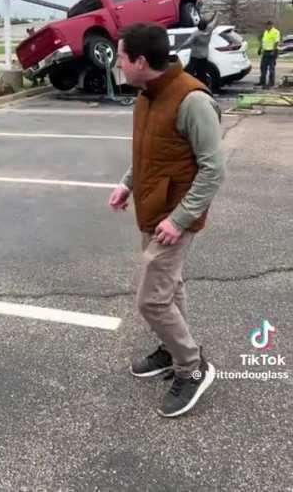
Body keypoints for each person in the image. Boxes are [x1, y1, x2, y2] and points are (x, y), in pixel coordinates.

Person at [108, 23, 225, 418]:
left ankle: (192, 368)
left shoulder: (191, 100)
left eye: (121, 56)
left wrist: (180, 220)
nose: (117, 63)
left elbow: (213, 170)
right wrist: (127, 183)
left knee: (151, 300)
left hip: (175, 216)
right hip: (152, 210)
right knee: (169, 288)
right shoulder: (146, 94)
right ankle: (170, 349)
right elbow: (149, 151)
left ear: (140, 61)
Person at [176, 12, 218, 89]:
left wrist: (179, 48)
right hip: (204, 56)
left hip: (195, 56)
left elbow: (188, 42)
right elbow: (214, 22)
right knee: (202, 74)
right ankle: (203, 87)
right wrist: (216, 15)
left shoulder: (196, 34)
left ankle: (188, 86)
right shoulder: (209, 30)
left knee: (190, 72)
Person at [258, 20, 280, 89]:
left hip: (272, 51)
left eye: (268, 25)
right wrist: (260, 49)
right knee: (262, 67)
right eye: (266, 25)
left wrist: (273, 51)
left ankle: (271, 83)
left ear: (271, 25)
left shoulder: (276, 32)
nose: (266, 26)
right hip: (265, 51)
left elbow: (276, 42)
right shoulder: (266, 32)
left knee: (271, 68)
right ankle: (262, 81)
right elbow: (263, 41)